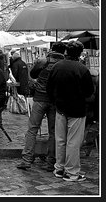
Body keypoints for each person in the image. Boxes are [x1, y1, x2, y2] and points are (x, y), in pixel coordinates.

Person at [47, 41, 94, 182]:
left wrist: (56, 102)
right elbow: (89, 92)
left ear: (66, 52)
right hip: (77, 109)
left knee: (60, 140)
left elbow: (49, 88)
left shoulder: (57, 66)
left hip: (60, 108)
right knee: (73, 141)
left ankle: (59, 169)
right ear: (79, 53)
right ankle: (71, 172)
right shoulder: (82, 69)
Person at [16, 42, 66, 171]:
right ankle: (51, 162)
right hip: (55, 101)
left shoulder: (43, 61)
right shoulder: (64, 64)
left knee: (32, 129)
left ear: (51, 49)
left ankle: (26, 159)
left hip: (39, 98)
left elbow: (32, 74)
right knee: (54, 132)